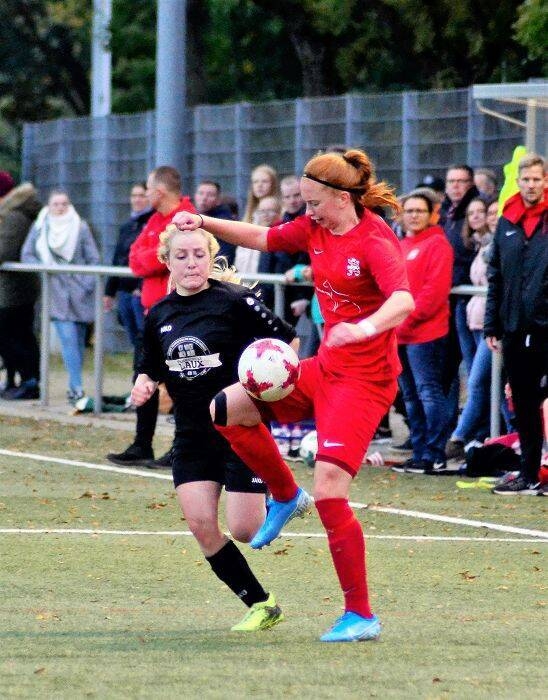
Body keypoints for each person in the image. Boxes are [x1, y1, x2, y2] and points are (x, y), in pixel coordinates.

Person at [173, 148, 415, 643]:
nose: (307, 212)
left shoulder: (374, 241)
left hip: (364, 384)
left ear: (342, 197)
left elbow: (405, 300)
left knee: (332, 493)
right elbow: (264, 237)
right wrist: (202, 220)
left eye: (314, 203)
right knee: (228, 407)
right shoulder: (316, 231)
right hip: (323, 370)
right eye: (303, 203)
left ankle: (360, 614)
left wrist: (363, 328)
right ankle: (284, 494)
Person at [131, 223, 296, 631]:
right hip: (191, 436)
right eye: (182, 256)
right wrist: (144, 383)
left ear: (210, 257)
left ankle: (285, 495)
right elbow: (149, 365)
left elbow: (287, 344)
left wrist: (265, 384)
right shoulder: (159, 314)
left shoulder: (236, 301)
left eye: (199, 255)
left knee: (245, 529)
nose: (191, 263)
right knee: (201, 525)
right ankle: (262, 604)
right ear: (166, 262)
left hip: (239, 431)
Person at [106, 166, 196, 468]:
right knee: (142, 377)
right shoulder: (155, 220)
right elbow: (136, 258)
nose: (145, 194)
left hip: (178, 312)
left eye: (147, 189)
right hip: (152, 314)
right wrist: (154, 259)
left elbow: (165, 259)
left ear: (159, 191)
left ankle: (182, 447)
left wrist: (156, 259)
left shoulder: (186, 219)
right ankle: (141, 443)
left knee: (181, 381)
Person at [485, 154, 547, 495]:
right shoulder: (507, 221)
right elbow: (497, 277)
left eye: (537, 179)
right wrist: (492, 324)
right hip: (514, 328)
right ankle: (528, 473)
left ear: (545, 181)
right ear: (519, 181)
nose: (532, 185)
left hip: (545, 327)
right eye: (526, 179)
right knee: (523, 403)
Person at [391, 191, 454, 473]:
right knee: (411, 397)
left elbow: (433, 294)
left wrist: (402, 321)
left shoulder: (438, 245)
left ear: (431, 215)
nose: (414, 215)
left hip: (426, 334)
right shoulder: (401, 245)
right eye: (409, 210)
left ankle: (435, 453)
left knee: (429, 393)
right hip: (400, 334)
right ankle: (419, 451)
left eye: (420, 210)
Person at [21, 189, 100, 403]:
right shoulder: (40, 227)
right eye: (56, 203)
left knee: (78, 342)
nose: (60, 207)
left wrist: (86, 283)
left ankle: (74, 385)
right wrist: (45, 269)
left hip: (80, 293)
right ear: (49, 205)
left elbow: (93, 258)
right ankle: (76, 387)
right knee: (67, 340)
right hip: (55, 292)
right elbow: (27, 254)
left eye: (64, 203)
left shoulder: (80, 227)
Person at [445, 198, 496, 461]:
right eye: (474, 212)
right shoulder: (477, 246)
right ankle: (486, 438)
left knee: (478, 382)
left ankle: (458, 437)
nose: (483, 217)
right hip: (472, 319)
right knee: (484, 382)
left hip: (490, 324)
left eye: (485, 212)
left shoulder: (495, 245)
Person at [0, 171, 41, 399]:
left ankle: (29, 381)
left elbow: (5, 251)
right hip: (13, 289)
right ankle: (20, 380)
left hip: (14, 290)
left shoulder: (14, 216)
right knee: (19, 334)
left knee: (12, 335)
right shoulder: (12, 213)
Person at [103, 182, 153, 348]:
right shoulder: (127, 226)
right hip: (124, 289)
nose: (137, 200)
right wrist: (109, 291)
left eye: (142, 195)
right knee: (133, 338)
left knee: (144, 338)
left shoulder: (153, 223)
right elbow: (118, 257)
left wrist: (142, 286)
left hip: (140, 290)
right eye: (134, 196)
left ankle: (140, 374)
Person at [193, 180, 236, 264]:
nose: (204, 198)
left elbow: (224, 256)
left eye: (210, 195)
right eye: (201, 193)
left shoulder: (224, 223)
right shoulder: (192, 217)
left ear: (218, 200)